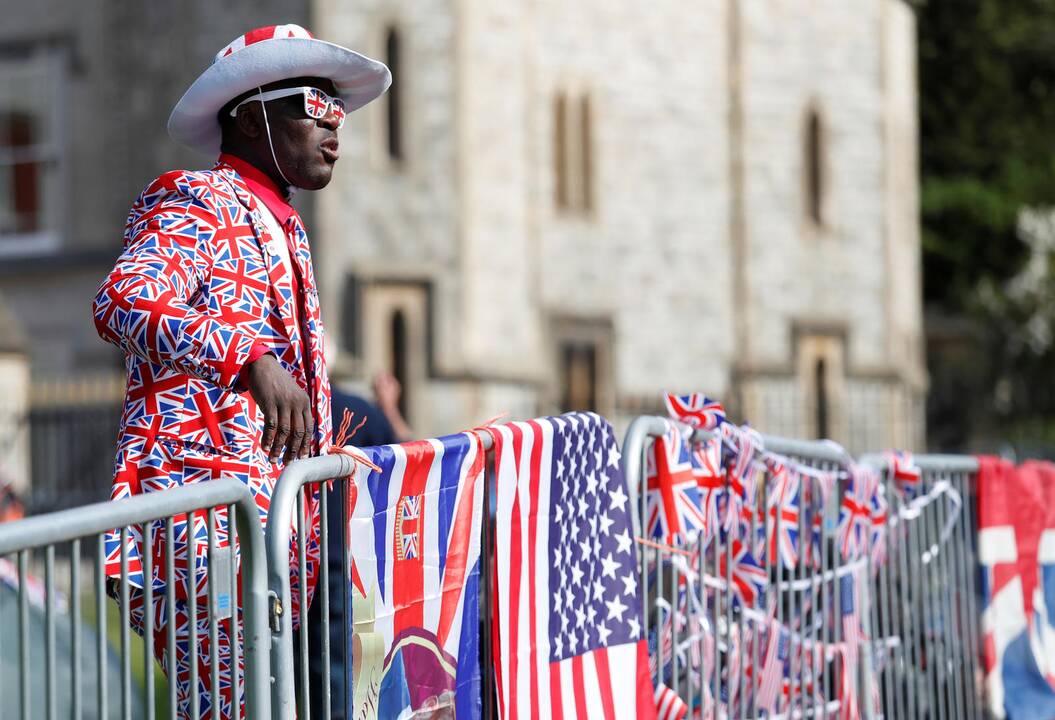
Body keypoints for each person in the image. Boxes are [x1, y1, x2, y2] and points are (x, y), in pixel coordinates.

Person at [91, 24, 390, 718]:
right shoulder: (198, 200)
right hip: (206, 532)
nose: (334, 129)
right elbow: (122, 300)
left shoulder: (283, 223)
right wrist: (246, 356)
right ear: (254, 114)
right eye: (315, 108)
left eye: (338, 111)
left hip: (270, 538)